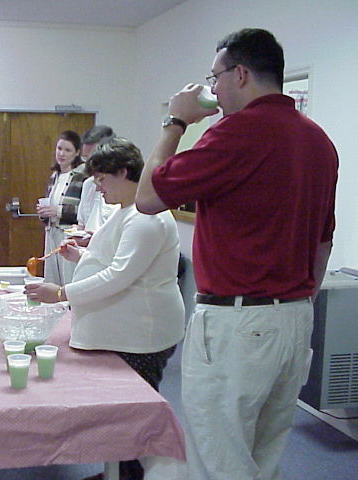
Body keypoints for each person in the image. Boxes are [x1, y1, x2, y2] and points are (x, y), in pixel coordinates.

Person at [135, 28, 338, 480]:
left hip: (238, 323)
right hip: (295, 319)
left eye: (215, 78)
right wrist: (295, 303)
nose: (214, 89)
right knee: (262, 456)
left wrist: (175, 121)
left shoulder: (237, 132)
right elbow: (323, 242)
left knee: (218, 458)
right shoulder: (318, 140)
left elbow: (147, 197)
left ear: (240, 74)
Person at [27, 137, 185, 480]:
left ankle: (129, 474)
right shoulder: (129, 210)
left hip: (144, 333)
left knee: (134, 414)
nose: (97, 188)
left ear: (124, 173)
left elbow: (119, 275)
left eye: (101, 179)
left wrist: (62, 293)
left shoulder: (147, 218)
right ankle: (118, 471)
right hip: (130, 327)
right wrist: (81, 256)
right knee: (124, 413)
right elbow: (117, 261)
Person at [36, 130, 87, 285]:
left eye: (67, 150)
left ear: (77, 152)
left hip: (69, 234)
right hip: (51, 232)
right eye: (59, 148)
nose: (61, 154)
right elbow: (51, 207)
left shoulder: (83, 176)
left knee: (68, 279)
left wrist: (58, 211)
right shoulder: (55, 176)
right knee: (51, 279)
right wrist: (44, 212)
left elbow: (85, 212)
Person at [76, 125, 119, 244]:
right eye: (85, 158)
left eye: (93, 158)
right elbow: (81, 224)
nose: (89, 164)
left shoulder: (120, 189)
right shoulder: (88, 184)